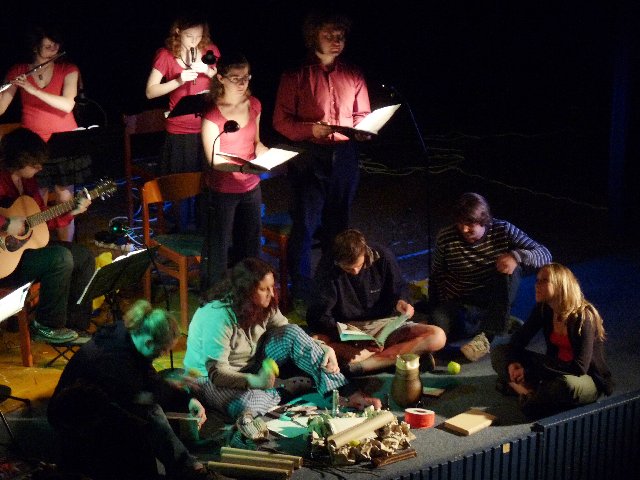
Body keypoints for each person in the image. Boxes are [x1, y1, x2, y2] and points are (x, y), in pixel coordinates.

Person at [183, 257, 382, 424]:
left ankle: (345, 393)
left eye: (272, 287)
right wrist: (255, 381)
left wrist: (323, 348)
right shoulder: (218, 316)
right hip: (209, 379)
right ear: (246, 291)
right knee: (247, 406)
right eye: (264, 289)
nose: (272, 294)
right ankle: (285, 389)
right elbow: (217, 373)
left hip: (251, 366)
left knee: (292, 331)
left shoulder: (264, 305)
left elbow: (291, 334)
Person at [47, 299, 222, 480]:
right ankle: (186, 469)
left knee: (168, 382)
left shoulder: (130, 334)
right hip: (75, 418)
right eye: (162, 351)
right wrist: (171, 388)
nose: (162, 355)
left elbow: (147, 376)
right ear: (149, 342)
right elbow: (140, 396)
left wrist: (187, 400)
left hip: (106, 397)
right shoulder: (114, 360)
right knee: (151, 413)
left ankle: (182, 465)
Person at [272, 9, 372, 305]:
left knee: (339, 224)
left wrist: (364, 129)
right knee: (305, 224)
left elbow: (362, 114)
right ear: (313, 36)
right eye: (329, 34)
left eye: (340, 35)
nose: (336, 40)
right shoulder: (296, 75)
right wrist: (309, 129)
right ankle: (302, 290)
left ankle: (334, 283)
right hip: (310, 156)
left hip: (344, 155)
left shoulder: (353, 73)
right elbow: (280, 121)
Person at [429, 192, 552, 362]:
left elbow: (545, 254)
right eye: (460, 223)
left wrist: (516, 256)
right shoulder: (446, 237)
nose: (464, 229)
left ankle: (486, 336)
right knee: (438, 322)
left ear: (484, 220)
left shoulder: (503, 230)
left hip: (494, 298)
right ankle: (500, 322)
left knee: (511, 269)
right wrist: (435, 308)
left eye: (470, 224)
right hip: (461, 302)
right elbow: (436, 274)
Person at [307, 229, 446, 375]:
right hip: (348, 330)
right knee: (316, 341)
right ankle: (400, 358)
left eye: (359, 266)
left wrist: (402, 302)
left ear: (365, 252)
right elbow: (320, 315)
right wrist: (349, 337)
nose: (355, 271)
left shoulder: (382, 256)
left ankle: (366, 364)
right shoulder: (327, 267)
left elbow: (399, 288)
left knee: (437, 335)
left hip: (385, 326)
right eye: (348, 269)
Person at [0, 127, 94, 342]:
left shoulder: (28, 182)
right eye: (35, 164)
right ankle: (46, 326)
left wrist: (71, 212)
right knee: (60, 258)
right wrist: (6, 223)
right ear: (19, 161)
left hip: (25, 252)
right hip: (5, 262)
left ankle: (75, 324)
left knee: (84, 256)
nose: (40, 168)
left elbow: (40, 220)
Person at [0, 24, 92, 242]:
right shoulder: (19, 71)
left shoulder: (68, 69)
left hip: (63, 141)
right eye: (49, 44)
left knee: (65, 198)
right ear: (35, 46)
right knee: (34, 203)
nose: (55, 48)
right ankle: (38, 246)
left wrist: (32, 89)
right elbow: (1, 108)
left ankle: (66, 247)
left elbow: (67, 105)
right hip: (32, 145)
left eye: (57, 44)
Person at [491, 263, 613, 417]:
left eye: (544, 281)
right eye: (537, 280)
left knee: (566, 385)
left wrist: (530, 373)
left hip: (584, 378)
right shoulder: (544, 309)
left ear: (561, 285)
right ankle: (528, 393)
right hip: (553, 368)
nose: (537, 285)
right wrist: (512, 364)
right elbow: (518, 341)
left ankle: (521, 389)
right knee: (500, 351)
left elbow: (579, 368)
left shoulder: (583, 317)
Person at [145, 12, 221, 232]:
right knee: (183, 186)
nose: (194, 41)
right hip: (180, 130)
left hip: (208, 127)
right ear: (178, 32)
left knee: (208, 182)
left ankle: (204, 231)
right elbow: (150, 91)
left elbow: (224, 82)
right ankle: (181, 233)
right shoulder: (166, 55)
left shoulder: (210, 51)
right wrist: (179, 80)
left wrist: (208, 71)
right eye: (189, 36)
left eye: (199, 36)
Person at [199, 52, 267, 291]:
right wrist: (242, 167)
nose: (242, 83)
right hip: (222, 191)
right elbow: (214, 159)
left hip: (251, 187)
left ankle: (248, 294)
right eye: (236, 78)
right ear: (221, 78)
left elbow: (256, 142)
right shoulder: (212, 114)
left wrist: (266, 154)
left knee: (250, 245)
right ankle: (214, 297)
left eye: (246, 77)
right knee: (218, 249)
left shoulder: (254, 104)